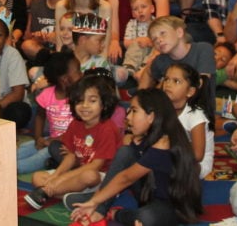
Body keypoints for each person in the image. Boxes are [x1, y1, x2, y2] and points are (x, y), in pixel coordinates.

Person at [67, 88, 203, 226]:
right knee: (125, 152)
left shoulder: (164, 142)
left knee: (146, 217)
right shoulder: (145, 136)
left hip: (172, 205)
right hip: (150, 193)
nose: (128, 117)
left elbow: (126, 178)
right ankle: (100, 210)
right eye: (129, 111)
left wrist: (93, 201)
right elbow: (125, 171)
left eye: (134, 111)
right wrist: (96, 202)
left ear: (151, 116)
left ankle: (116, 212)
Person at [25, 72, 121, 210]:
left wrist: (60, 179)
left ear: (104, 104)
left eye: (92, 101)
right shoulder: (75, 124)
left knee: (89, 176)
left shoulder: (107, 129)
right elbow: (71, 155)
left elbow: (95, 166)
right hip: (78, 173)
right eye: (80, 101)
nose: (85, 106)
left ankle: (47, 192)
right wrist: (57, 175)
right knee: (37, 177)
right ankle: (74, 196)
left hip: (102, 177)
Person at [17, 50, 81, 175]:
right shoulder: (47, 94)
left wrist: (52, 141)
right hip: (50, 139)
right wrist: (38, 138)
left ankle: (16, 167)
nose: (81, 73)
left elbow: (79, 128)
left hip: (68, 145)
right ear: (65, 79)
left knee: (43, 154)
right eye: (78, 71)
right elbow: (40, 117)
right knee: (27, 146)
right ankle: (1, 159)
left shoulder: (79, 97)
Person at [161, 62, 213, 179]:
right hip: (171, 153)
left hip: (195, 163)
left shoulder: (196, 115)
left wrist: (167, 150)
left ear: (190, 91)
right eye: (166, 79)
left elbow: (198, 155)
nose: (168, 84)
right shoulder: (162, 108)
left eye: (176, 81)